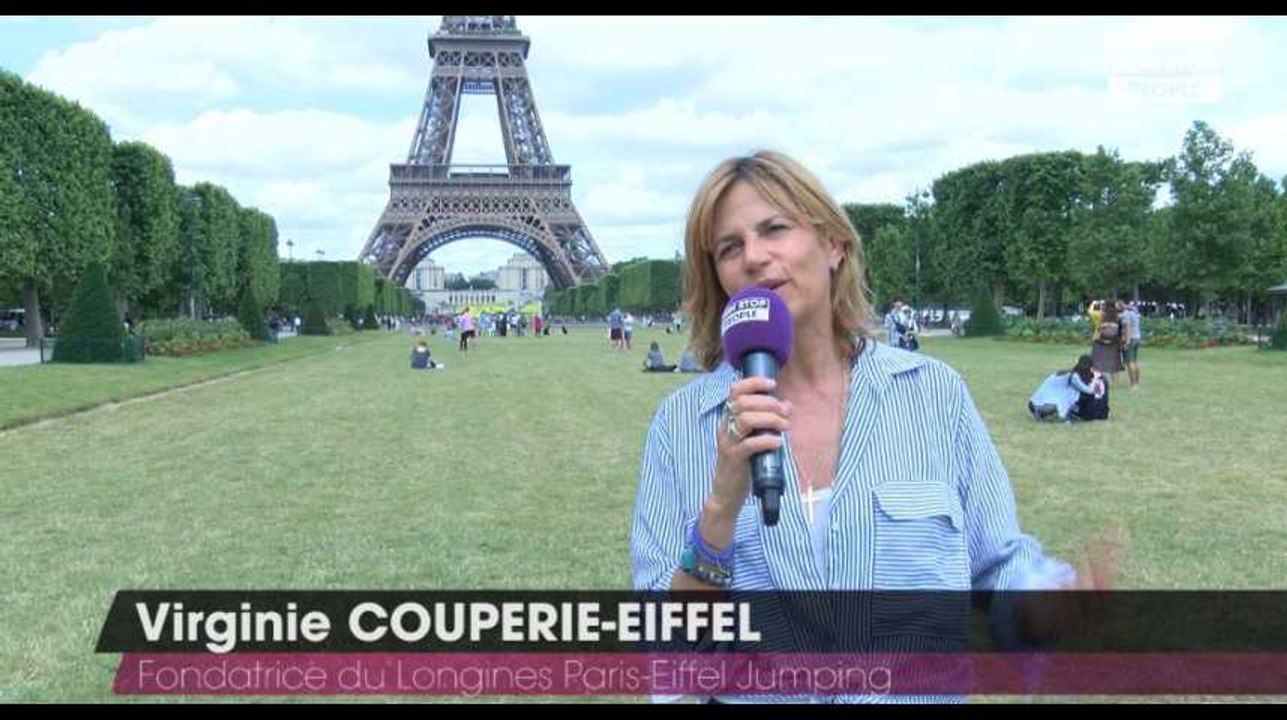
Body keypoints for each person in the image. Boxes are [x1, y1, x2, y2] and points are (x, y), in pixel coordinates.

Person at [630, 150, 1115, 704]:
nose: (755, 258)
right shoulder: (680, 427)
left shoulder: (932, 394)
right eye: (729, 247)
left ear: (833, 244)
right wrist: (718, 513)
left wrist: (1045, 603)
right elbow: (670, 657)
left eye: (775, 229)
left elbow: (998, 564)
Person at [1027, 355, 1099, 422]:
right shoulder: (1073, 377)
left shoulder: (1068, 374)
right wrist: (1096, 381)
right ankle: (1040, 411)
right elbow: (1088, 391)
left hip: (1034, 402)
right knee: (1057, 406)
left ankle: (1045, 413)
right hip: (1038, 404)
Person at [1090, 301, 1124, 385]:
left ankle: (1097, 380)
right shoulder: (1118, 317)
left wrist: (1094, 303)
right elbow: (1121, 330)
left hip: (1100, 342)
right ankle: (1116, 382)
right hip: (1114, 343)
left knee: (1098, 362)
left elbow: (1090, 311)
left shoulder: (1101, 315)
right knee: (1115, 363)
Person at [1121, 301, 1142, 390]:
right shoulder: (1134, 313)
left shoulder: (1126, 314)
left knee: (1130, 362)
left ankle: (1133, 384)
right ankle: (1136, 382)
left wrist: (1127, 342)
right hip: (1137, 338)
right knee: (1134, 361)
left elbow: (1128, 328)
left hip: (1131, 339)